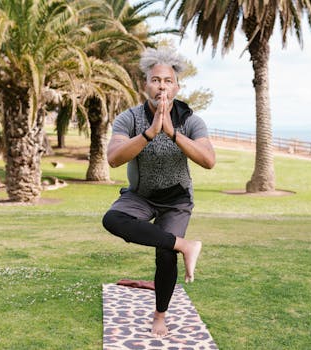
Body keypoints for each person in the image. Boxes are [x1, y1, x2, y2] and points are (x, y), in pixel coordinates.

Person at [102, 47, 216, 337]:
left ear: (176, 86)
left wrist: (172, 133)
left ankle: (160, 316)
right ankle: (185, 245)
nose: (161, 86)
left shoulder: (190, 120)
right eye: (155, 80)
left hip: (176, 199)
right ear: (145, 85)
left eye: (167, 81)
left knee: (165, 254)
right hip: (140, 195)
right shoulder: (129, 119)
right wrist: (149, 132)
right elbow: (114, 158)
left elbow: (208, 160)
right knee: (113, 220)